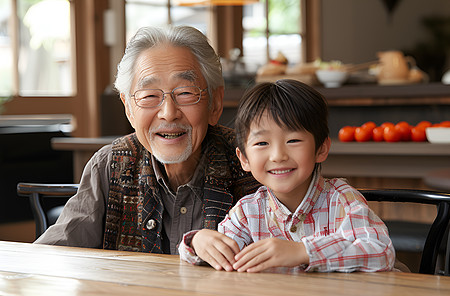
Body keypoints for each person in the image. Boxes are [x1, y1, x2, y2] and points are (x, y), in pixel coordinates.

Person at [34, 25, 260, 254]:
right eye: (149, 96)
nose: (169, 113)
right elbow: (49, 256)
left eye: (185, 93)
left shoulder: (255, 162)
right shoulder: (109, 166)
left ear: (215, 102)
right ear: (129, 109)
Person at [179, 79, 395, 272]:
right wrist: (197, 242)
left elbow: (381, 251)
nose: (278, 155)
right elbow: (221, 258)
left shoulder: (342, 200)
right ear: (244, 158)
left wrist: (303, 252)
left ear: (321, 148)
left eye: (293, 141)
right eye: (262, 143)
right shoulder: (247, 212)